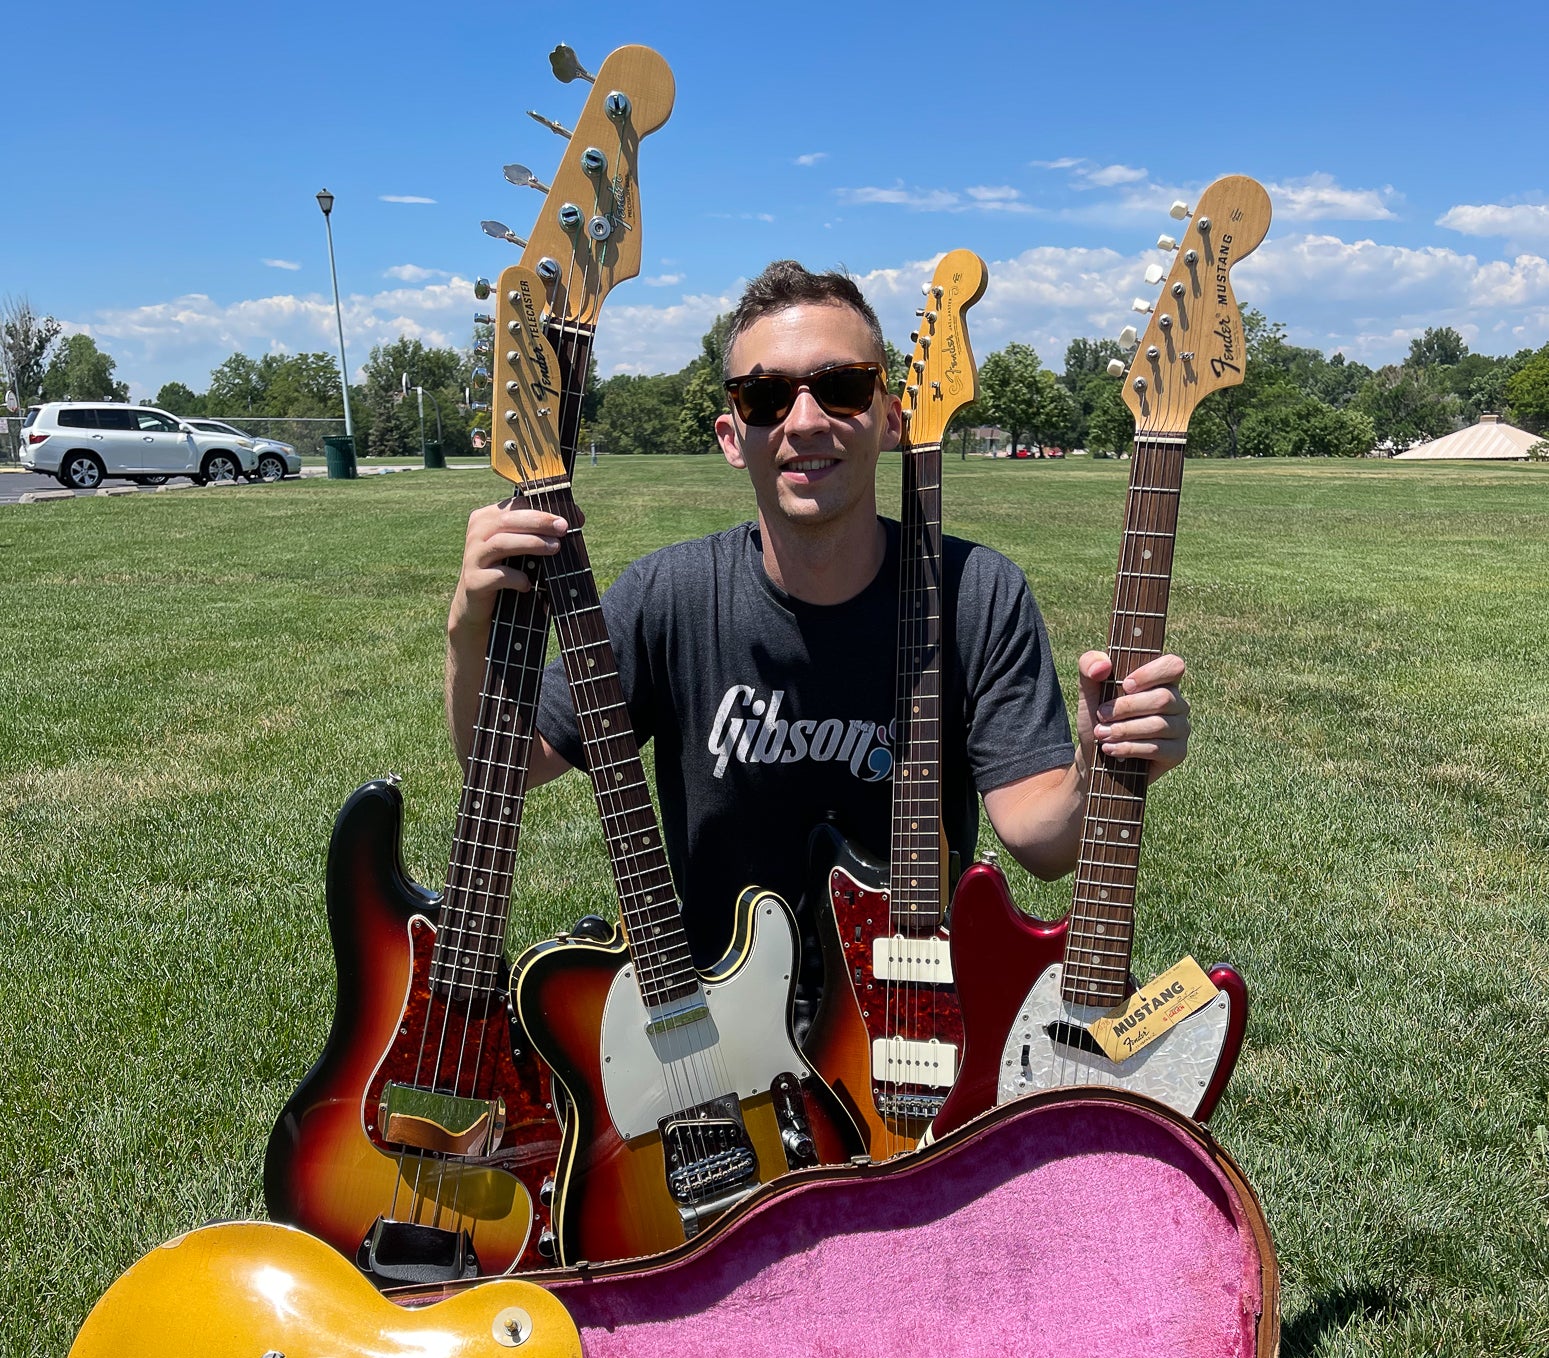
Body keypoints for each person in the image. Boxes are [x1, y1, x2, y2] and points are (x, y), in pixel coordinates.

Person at [444, 261, 1189, 978]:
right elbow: (503, 763)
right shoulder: (668, 595)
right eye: (765, 397)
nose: (804, 421)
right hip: (715, 1037)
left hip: (910, 1017)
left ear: (891, 420)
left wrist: (1101, 764)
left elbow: (1042, 841)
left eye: (841, 388)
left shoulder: (976, 592)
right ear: (732, 437)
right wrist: (468, 626)